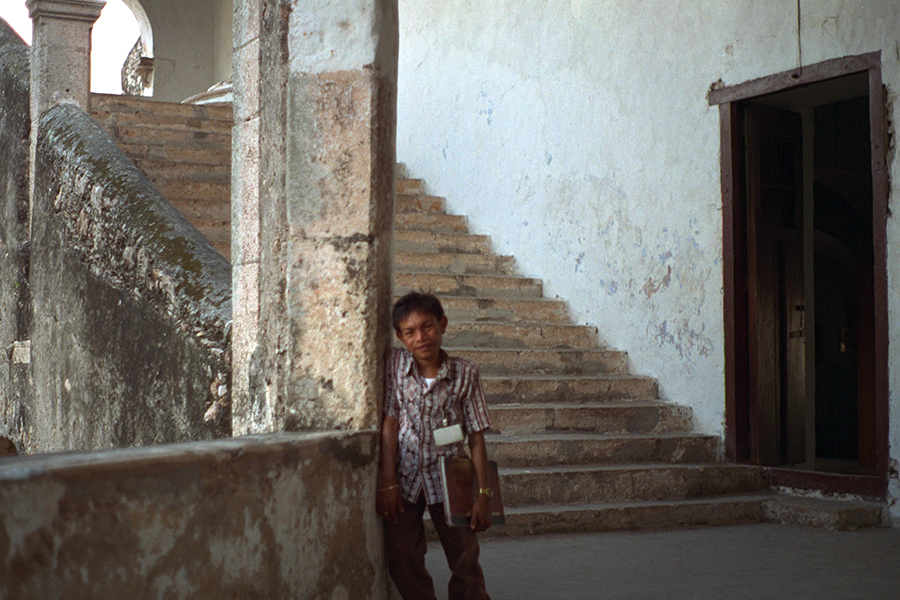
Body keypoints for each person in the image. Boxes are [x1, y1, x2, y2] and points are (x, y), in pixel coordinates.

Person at [378, 291, 493, 600]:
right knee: (402, 556)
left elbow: (476, 436)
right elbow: (390, 420)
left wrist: (483, 494)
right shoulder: (395, 365)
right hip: (406, 478)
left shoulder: (464, 373)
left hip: (451, 478)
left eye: (427, 326)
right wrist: (388, 480)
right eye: (410, 331)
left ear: (442, 324)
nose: (421, 337)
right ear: (401, 337)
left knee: (465, 558)